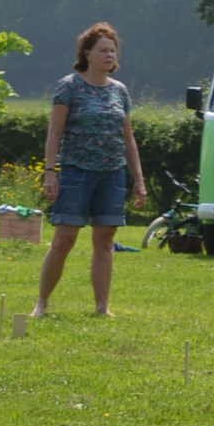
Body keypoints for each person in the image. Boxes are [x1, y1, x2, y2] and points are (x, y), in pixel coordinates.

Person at [33, 22, 148, 317]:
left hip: (112, 173)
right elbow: (54, 134)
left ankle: (102, 307)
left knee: (105, 239)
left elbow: (128, 139)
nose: (109, 55)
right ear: (87, 53)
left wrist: (139, 180)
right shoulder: (69, 87)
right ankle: (42, 303)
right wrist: (50, 171)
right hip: (76, 171)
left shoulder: (120, 92)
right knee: (65, 238)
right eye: (103, 50)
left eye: (113, 50)